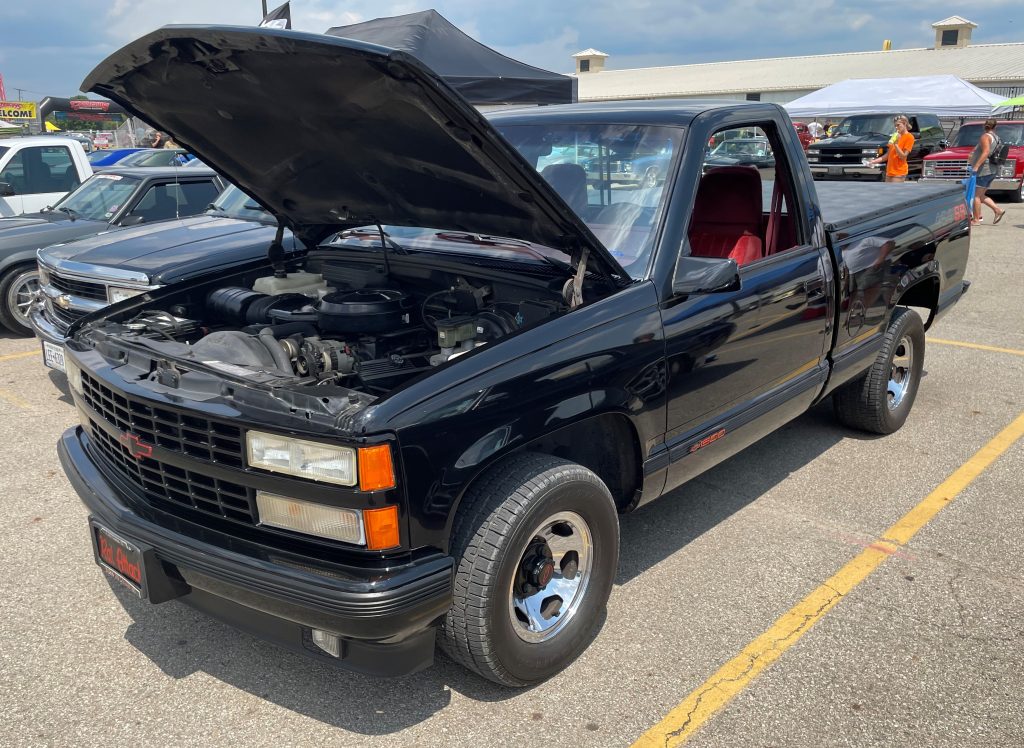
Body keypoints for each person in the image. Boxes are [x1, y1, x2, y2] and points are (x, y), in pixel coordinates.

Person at [969, 118, 1006, 226]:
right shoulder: (997, 138)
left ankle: (976, 220)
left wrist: (976, 166)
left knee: (976, 195)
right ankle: (997, 210)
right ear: (995, 127)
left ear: (984, 126)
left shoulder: (985, 137)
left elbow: (985, 153)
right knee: (980, 195)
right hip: (992, 169)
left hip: (984, 170)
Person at [867, 115, 914, 183]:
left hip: (899, 172)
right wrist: (873, 162)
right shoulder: (895, 136)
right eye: (895, 126)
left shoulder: (909, 137)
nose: (896, 127)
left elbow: (903, 156)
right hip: (890, 171)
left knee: (895, 193)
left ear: (904, 124)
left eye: (898, 125)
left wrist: (896, 144)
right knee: (887, 193)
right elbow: (888, 155)